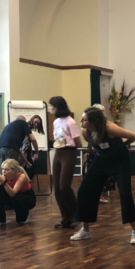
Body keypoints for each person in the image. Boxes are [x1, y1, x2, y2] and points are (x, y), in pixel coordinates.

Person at [70, 107, 135, 244]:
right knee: (85, 191)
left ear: (94, 121)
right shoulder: (86, 131)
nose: (81, 121)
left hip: (119, 162)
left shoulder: (110, 128)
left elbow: (134, 136)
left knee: (125, 194)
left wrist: (121, 146)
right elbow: (94, 145)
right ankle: (85, 230)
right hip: (100, 161)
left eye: (84, 119)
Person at [49, 96, 82, 229]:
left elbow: (78, 142)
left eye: (52, 106)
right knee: (57, 188)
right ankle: (65, 218)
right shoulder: (56, 122)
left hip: (69, 152)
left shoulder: (71, 122)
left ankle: (75, 215)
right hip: (58, 153)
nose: (50, 108)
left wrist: (71, 147)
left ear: (58, 107)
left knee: (64, 186)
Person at [0, 159, 36, 225]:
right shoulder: (3, 177)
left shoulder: (21, 176)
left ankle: (23, 216)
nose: (3, 171)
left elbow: (13, 193)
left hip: (27, 198)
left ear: (14, 170)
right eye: (3, 169)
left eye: (7, 170)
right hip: (13, 197)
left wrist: (4, 182)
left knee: (17, 200)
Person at [19, 115, 44, 180]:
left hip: (25, 151)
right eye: (35, 122)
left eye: (38, 123)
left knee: (29, 171)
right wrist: (35, 153)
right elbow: (27, 142)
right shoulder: (27, 127)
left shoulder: (28, 127)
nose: (36, 124)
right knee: (28, 172)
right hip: (24, 152)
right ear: (32, 120)